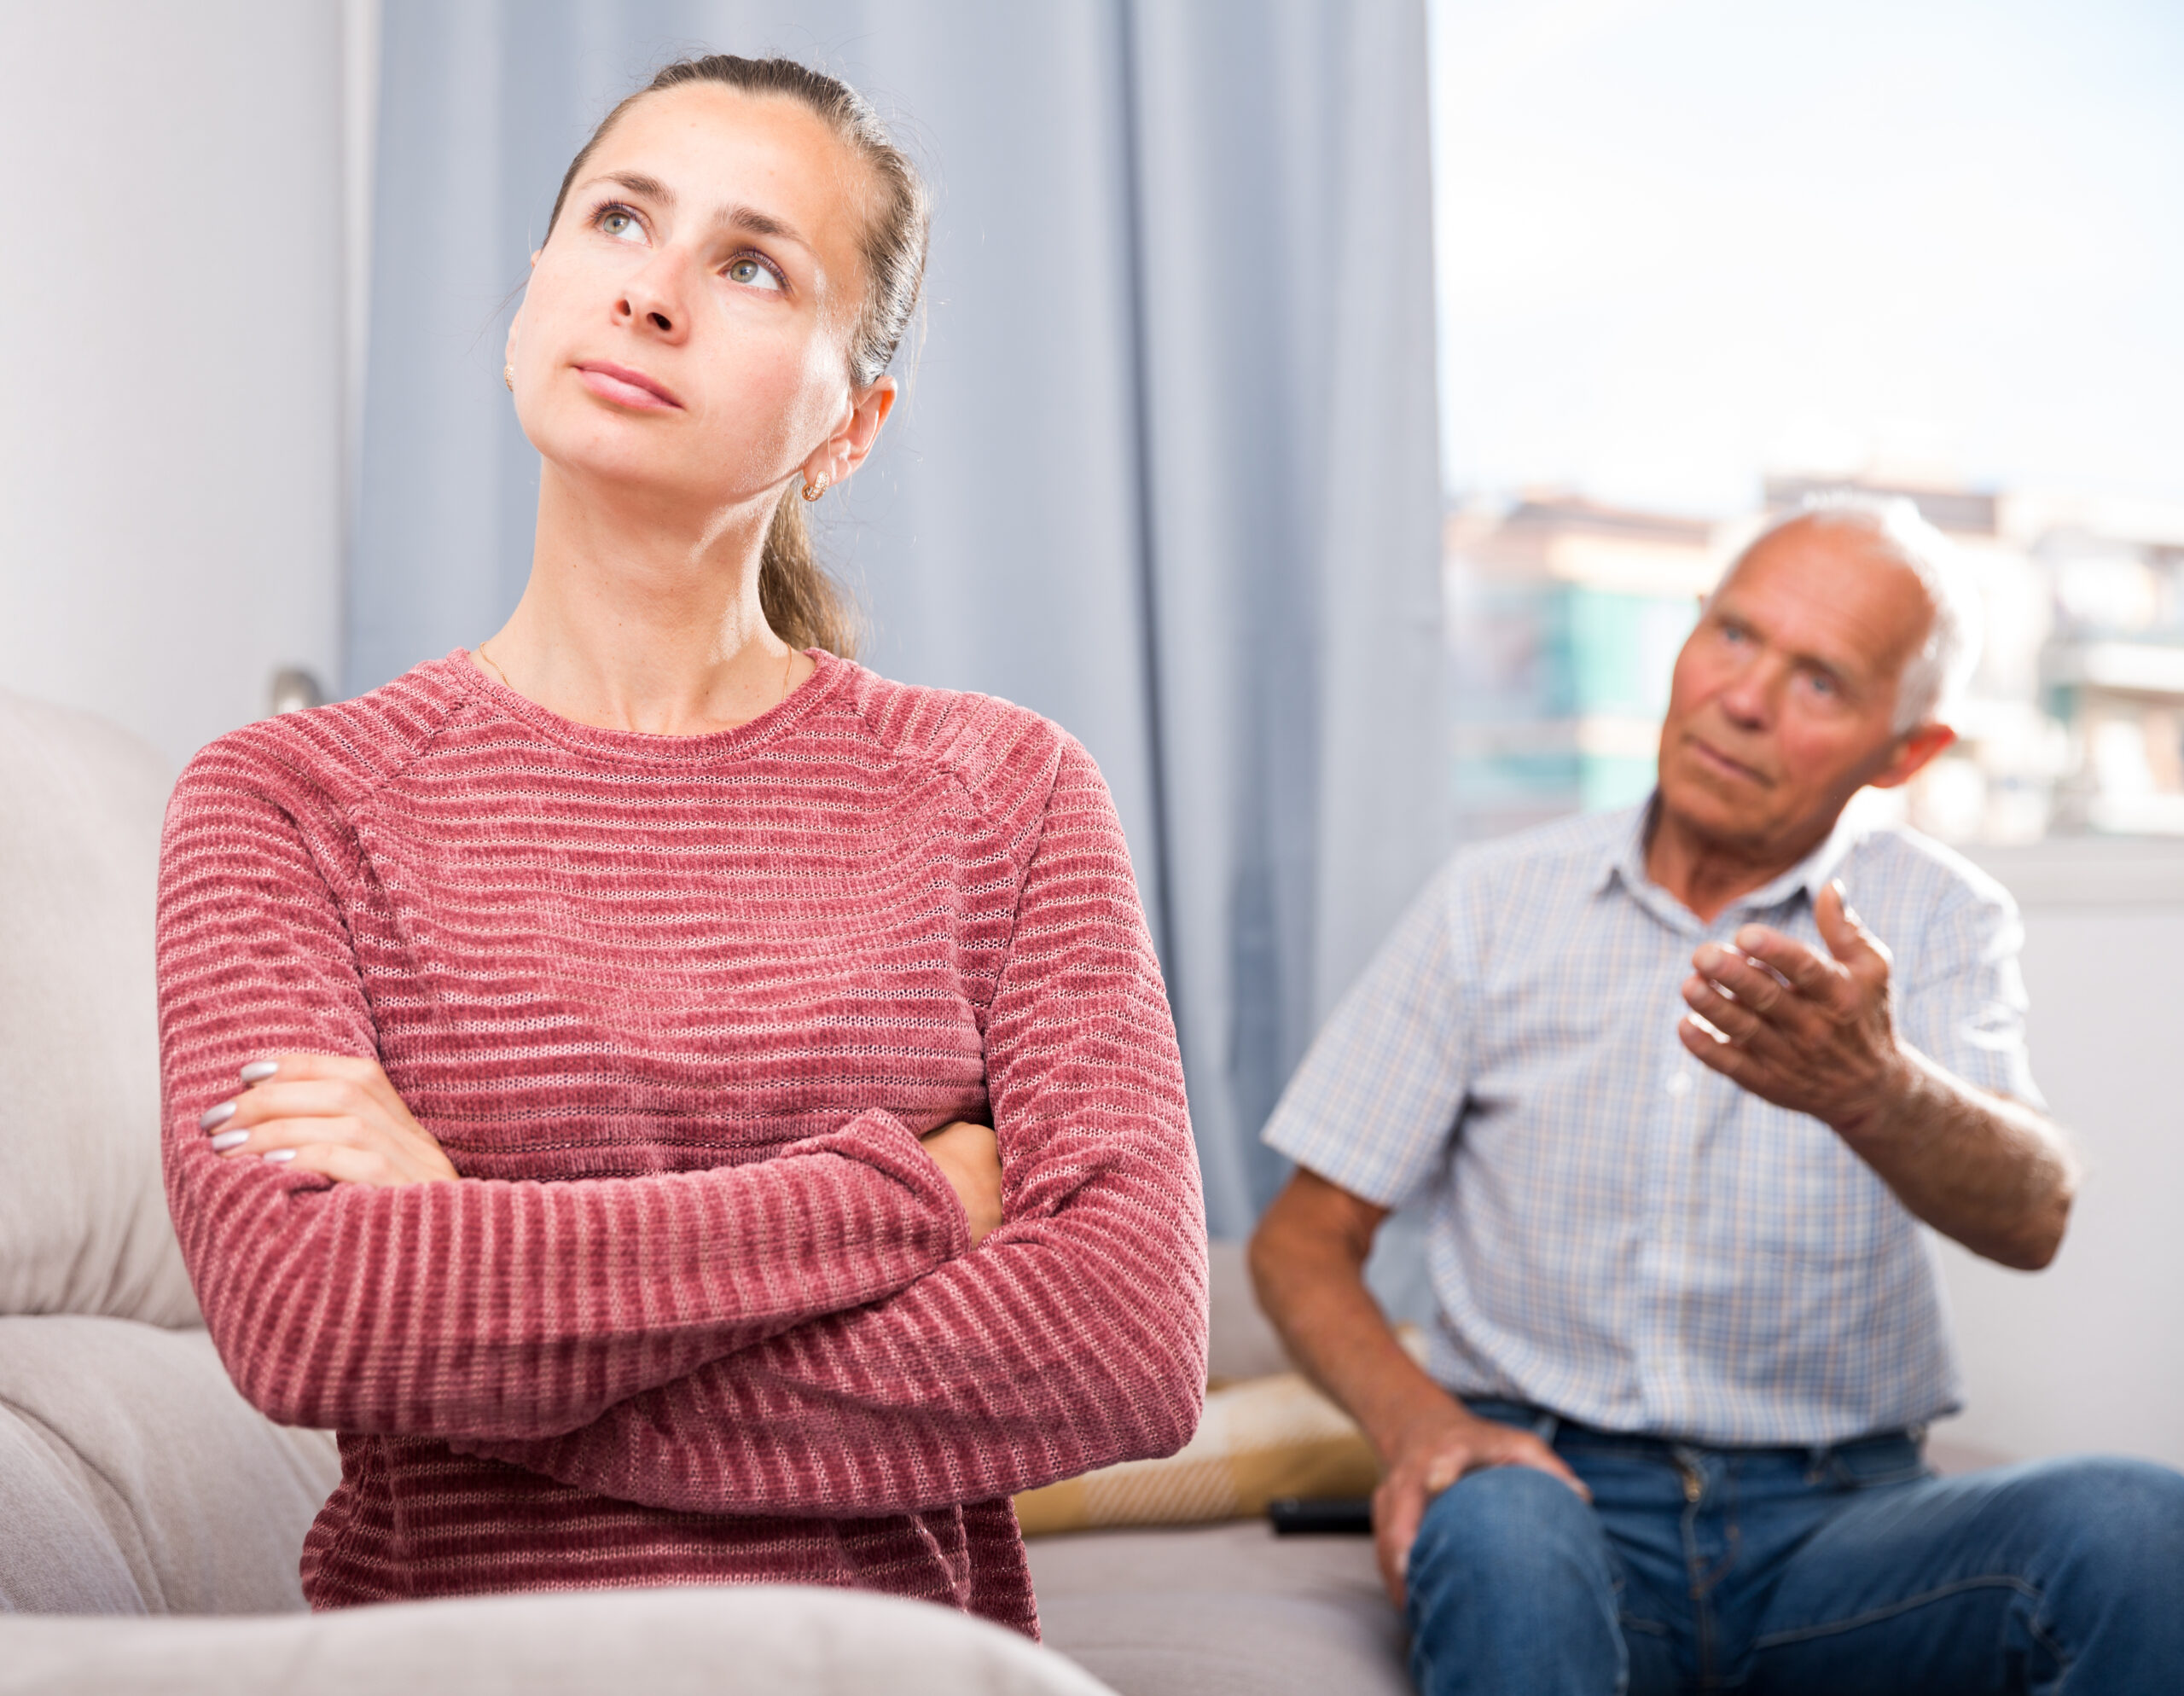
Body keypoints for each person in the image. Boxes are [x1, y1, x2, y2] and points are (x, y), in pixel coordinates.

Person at [157, 55, 1206, 1640]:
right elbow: (311, 1319)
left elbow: (1123, 1343)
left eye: (751, 265)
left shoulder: (1007, 792)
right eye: (619, 220)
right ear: (528, 302)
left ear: (852, 426)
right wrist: (896, 1200)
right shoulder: (281, 802)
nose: (653, 292)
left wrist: (475, 1277)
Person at [1249, 496, 2184, 1693]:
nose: (1741, 699)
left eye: (1821, 682)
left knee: (2142, 1528)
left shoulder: (1944, 918)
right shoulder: (1488, 905)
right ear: (1688, 639)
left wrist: (1875, 1088)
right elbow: (1301, 1245)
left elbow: (2034, 1213)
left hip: (1843, 1529)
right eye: (1734, 637)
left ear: (1906, 753)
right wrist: (1422, 1427)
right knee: (1498, 1529)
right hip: (1560, 1496)